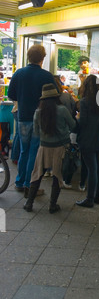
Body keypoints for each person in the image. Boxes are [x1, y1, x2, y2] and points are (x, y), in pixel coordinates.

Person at [7, 45, 56, 197]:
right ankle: (30, 185)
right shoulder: (47, 76)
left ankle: (20, 182)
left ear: (28, 57)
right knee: (34, 152)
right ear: (43, 58)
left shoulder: (19, 73)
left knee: (23, 150)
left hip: (22, 118)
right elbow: (55, 97)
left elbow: (11, 95)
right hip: (39, 119)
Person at [23, 84, 76, 213]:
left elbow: (36, 132)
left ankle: (29, 203)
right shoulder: (62, 110)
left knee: (37, 174)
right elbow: (73, 126)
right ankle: (52, 205)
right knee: (57, 176)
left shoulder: (38, 112)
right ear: (56, 97)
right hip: (60, 147)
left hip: (44, 147)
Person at [76, 75, 99, 208]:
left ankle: (89, 199)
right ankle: (98, 196)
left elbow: (82, 121)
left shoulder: (84, 102)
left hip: (87, 138)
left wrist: (76, 118)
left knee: (92, 169)